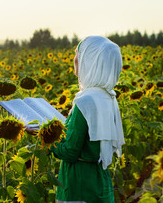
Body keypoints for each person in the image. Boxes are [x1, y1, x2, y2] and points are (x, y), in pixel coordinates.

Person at [50, 36, 125, 203]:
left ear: (92, 61)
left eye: (79, 54)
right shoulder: (108, 97)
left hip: (78, 185)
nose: (75, 59)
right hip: (100, 183)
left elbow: (70, 151)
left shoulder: (86, 102)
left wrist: (45, 139)